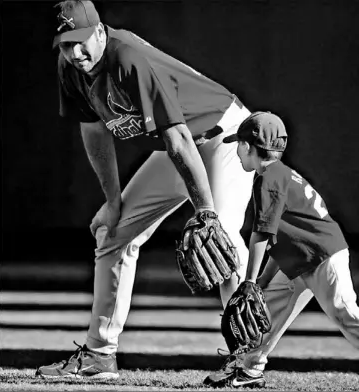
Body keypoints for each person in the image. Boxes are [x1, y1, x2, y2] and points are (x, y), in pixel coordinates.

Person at [36, 0, 255, 379]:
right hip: (181, 142)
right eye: (65, 43)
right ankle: (100, 356)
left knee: (221, 239)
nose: (74, 52)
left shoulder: (129, 58)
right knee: (113, 234)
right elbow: (93, 131)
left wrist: (204, 212)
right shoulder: (70, 68)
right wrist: (112, 202)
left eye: (81, 40)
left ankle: (249, 363)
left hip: (222, 134)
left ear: (101, 31)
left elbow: (179, 137)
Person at [204, 112, 359, 391]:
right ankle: (249, 368)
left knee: (342, 309)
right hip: (299, 258)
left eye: (239, 143)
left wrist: (249, 281)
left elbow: (263, 233)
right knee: (269, 307)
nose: (237, 150)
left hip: (323, 254)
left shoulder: (270, 178)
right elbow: (283, 239)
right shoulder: (278, 174)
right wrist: (261, 282)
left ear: (250, 147)